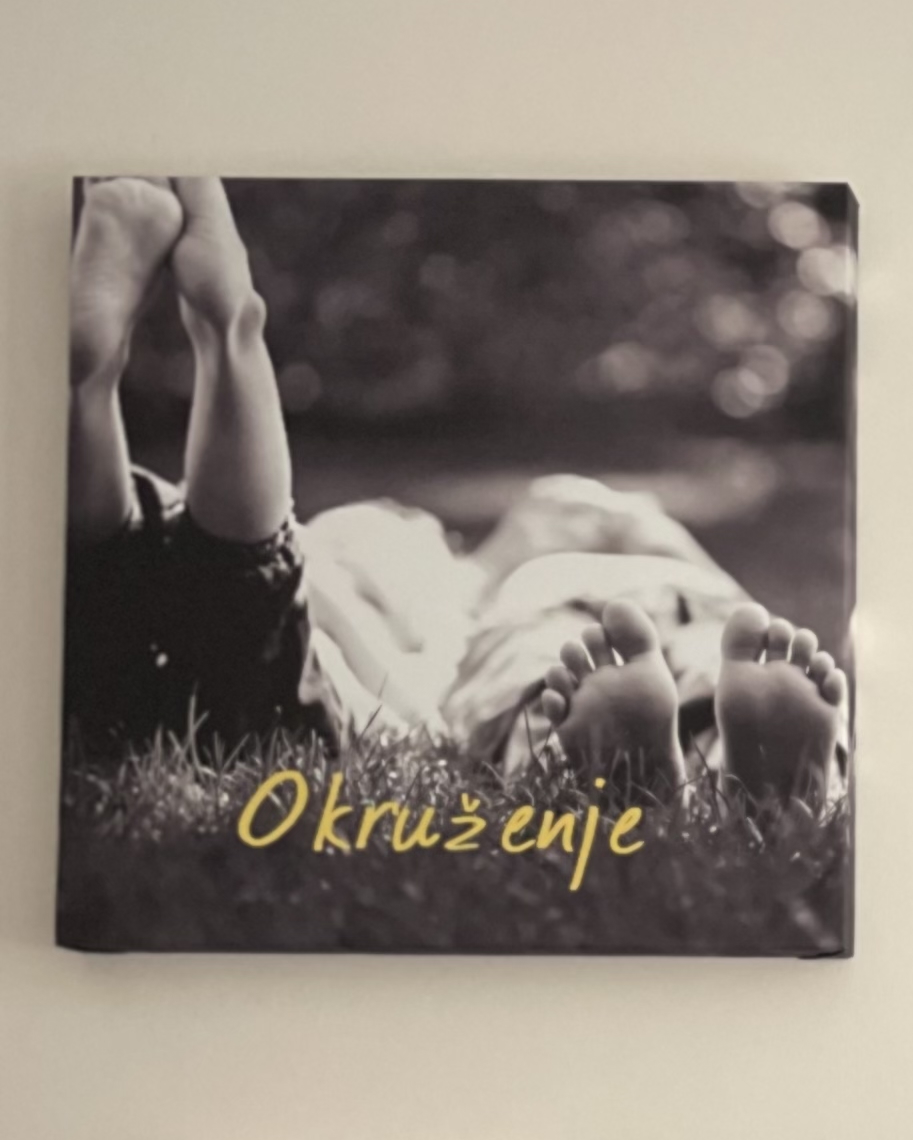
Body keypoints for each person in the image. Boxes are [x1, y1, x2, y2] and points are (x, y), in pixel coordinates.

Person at [63, 176, 849, 804]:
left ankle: (613, 768)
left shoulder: (492, 587)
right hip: (687, 605)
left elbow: (431, 644)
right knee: (722, 657)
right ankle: (780, 779)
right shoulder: (511, 571)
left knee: (539, 687)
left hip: (560, 621)